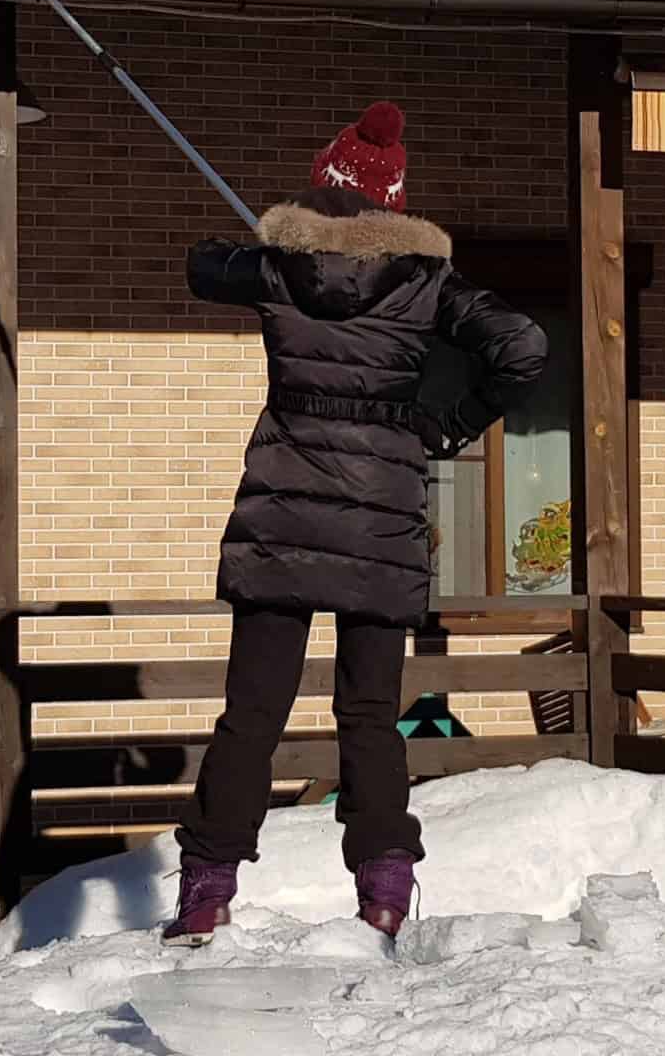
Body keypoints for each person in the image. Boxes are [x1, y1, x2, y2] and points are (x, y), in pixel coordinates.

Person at [162, 100, 547, 946]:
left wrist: (268, 253)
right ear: (393, 205)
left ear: (324, 187)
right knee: (369, 715)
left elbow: (198, 265)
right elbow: (524, 346)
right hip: (380, 524)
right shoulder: (428, 284)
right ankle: (383, 888)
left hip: (282, 519)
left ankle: (206, 893)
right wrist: (444, 420)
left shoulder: (273, 271)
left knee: (249, 714)